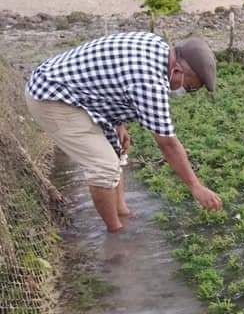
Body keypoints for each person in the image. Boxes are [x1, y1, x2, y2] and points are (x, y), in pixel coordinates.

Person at [25, 32, 223, 233]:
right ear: (178, 70)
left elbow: (111, 75)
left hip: (75, 91)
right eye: (189, 88)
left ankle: (122, 212)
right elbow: (167, 143)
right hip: (53, 97)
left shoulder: (156, 45)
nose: (184, 93)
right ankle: (116, 233)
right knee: (103, 167)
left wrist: (118, 123)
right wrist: (196, 187)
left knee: (116, 148)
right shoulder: (149, 81)